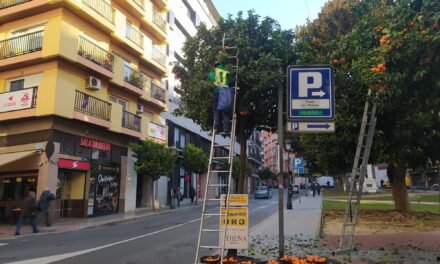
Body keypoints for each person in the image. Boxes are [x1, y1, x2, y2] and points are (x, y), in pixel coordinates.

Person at [208, 62, 233, 135]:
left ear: (214, 66)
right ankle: (226, 129)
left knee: (216, 111)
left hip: (217, 92)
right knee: (225, 111)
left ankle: (217, 129)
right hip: (225, 92)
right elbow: (231, 81)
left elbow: (210, 81)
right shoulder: (226, 71)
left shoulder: (212, 74)